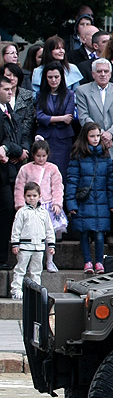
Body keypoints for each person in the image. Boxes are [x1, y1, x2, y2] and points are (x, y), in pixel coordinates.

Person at [65, 122, 113, 273]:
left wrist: (112, 203)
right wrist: (71, 204)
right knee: (84, 233)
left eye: (98, 136)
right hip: (84, 200)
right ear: (85, 136)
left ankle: (99, 262)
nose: (95, 139)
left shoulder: (105, 155)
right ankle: (87, 261)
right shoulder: (78, 155)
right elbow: (72, 180)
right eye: (92, 136)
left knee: (100, 234)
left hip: (101, 200)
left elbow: (110, 181)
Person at [14, 141, 65, 272]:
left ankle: (50, 261)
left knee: (48, 234)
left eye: (43, 156)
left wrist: (57, 202)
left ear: (48, 155)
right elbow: (19, 187)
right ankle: (31, 262)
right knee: (31, 233)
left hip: (48, 206)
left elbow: (57, 187)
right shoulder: (25, 169)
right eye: (38, 156)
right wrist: (20, 204)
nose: (41, 159)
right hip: (30, 206)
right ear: (33, 155)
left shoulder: (52, 168)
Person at [0, 75, 29, 266]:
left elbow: (18, 137)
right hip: (2, 173)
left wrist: (20, 150)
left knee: (7, 213)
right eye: (6, 90)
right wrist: (9, 148)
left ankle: (2, 257)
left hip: (11, 171)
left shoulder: (9, 110)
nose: (11, 93)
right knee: (5, 211)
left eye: (11, 89)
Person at [8, 181, 54, 298]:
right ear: (24, 197)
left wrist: (51, 244)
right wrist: (15, 244)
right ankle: (16, 290)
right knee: (20, 269)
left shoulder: (44, 213)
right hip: (25, 246)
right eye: (29, 196)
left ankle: (36, 291)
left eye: (34, 196)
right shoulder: (22, 212)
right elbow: (16, 229)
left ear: (40, 196)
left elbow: (49, 229)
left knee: (37, 270)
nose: (32, 198)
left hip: (39, 246)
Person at [76, 58, 113, 161]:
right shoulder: (82, 91)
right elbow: (83, 116)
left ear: (110, 73)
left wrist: (110, 134)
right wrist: (100, 134)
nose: (103, 74)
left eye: (106, 71)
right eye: (99, 71)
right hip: (91, 143)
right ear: (93, 74)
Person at [34, 62, 77, 179]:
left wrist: (50, 119)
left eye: (56, 77)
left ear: (61, 77)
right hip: (45, 137)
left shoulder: (69, 94)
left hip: (63, 139)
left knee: (61, 172)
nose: (53, 80)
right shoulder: (40, 94)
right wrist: (60, 118)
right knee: (43, 172)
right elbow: (39, 116)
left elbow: (68, 118)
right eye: (50, 77)